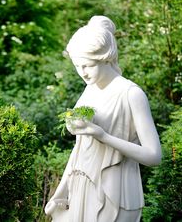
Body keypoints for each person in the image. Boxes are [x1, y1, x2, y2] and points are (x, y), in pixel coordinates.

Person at [45, 16, 162, 222]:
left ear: (106, 58)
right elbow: (80, 149)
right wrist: (62, 190)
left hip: (116, 193)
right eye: (77, 66)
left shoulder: (130, 94)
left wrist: (103, 136)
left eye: (88, 66)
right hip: (82, 188)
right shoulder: (89, 91)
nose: (82, 73)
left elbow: (154, 156)